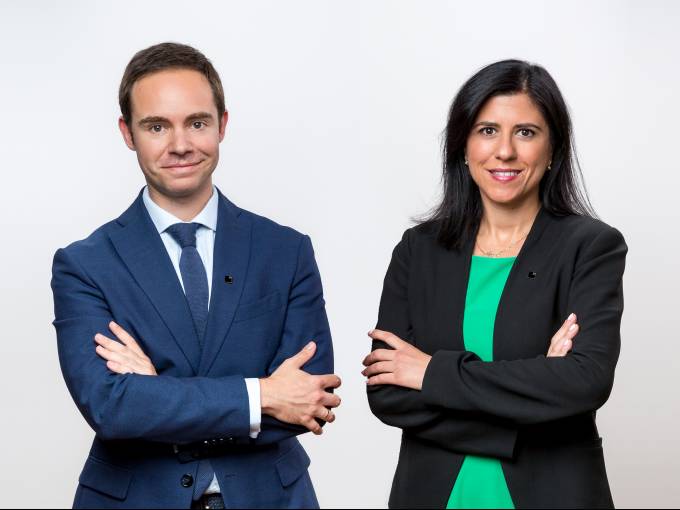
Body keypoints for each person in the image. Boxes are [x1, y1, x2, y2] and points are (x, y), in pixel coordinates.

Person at [51, 42, 341, 509]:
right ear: (128, 133)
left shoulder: (286, 251)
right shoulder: (85, 265)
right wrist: (262, 394)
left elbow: (310, 400)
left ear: (222, 125)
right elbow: (112, 408)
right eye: (157, 126)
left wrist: (155, 393)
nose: (180, 144)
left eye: (197, 123)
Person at [363, 60, 627, 509]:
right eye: (487, 130)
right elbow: (387, 392)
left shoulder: (590, 247)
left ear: (552, 149)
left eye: (525, 132)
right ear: (463, 146)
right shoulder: (418, 250)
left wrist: (431, 374)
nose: (504, 151)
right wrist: (532, 399)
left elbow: (584, 380)